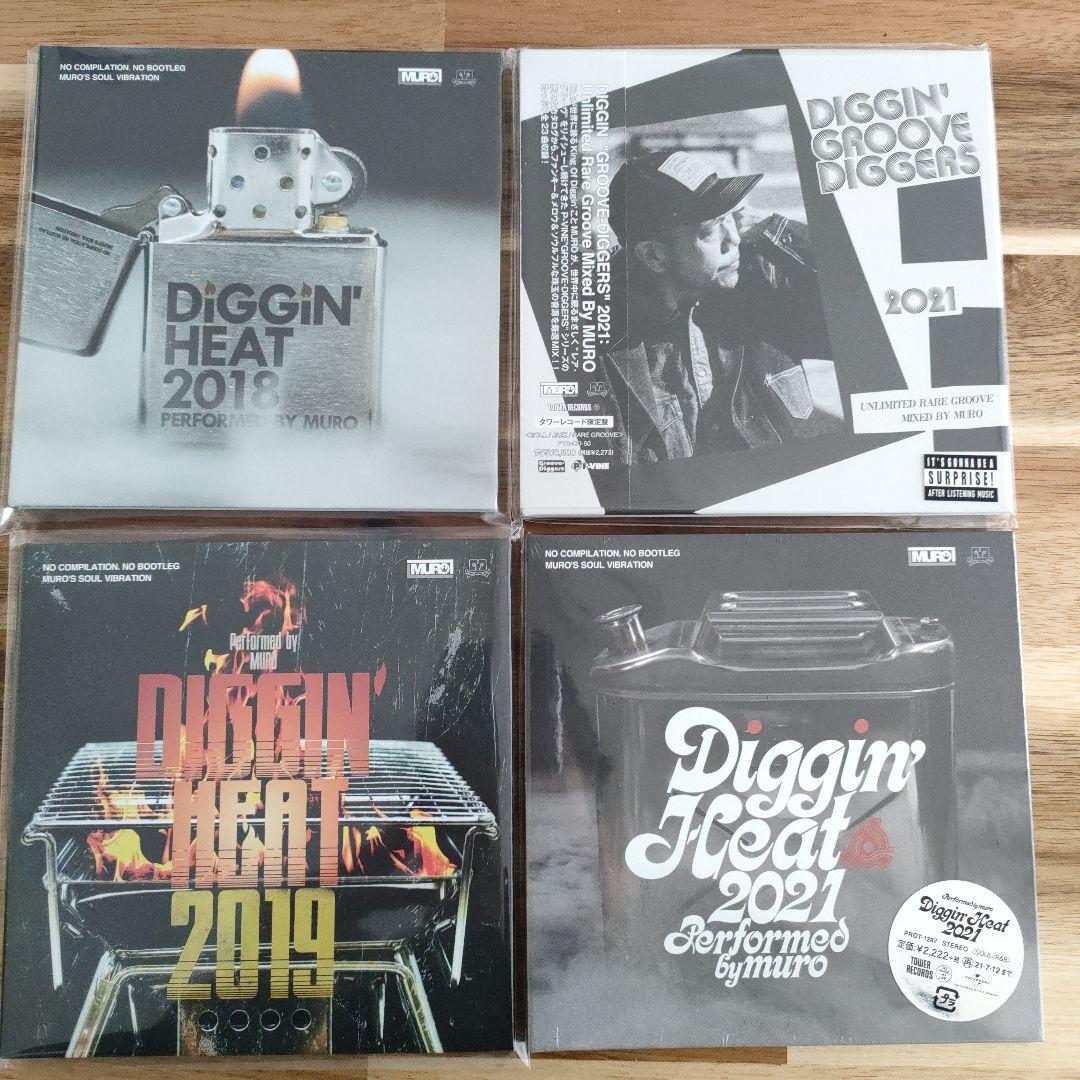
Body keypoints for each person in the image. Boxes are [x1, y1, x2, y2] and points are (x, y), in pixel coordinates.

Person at [595, 150, 844, 465]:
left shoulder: (759, 291)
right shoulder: (602, 344)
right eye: (710, 230)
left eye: (731, 217)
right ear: (654, 256)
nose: (734, 239)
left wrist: (775, 229)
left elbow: (868, 317)